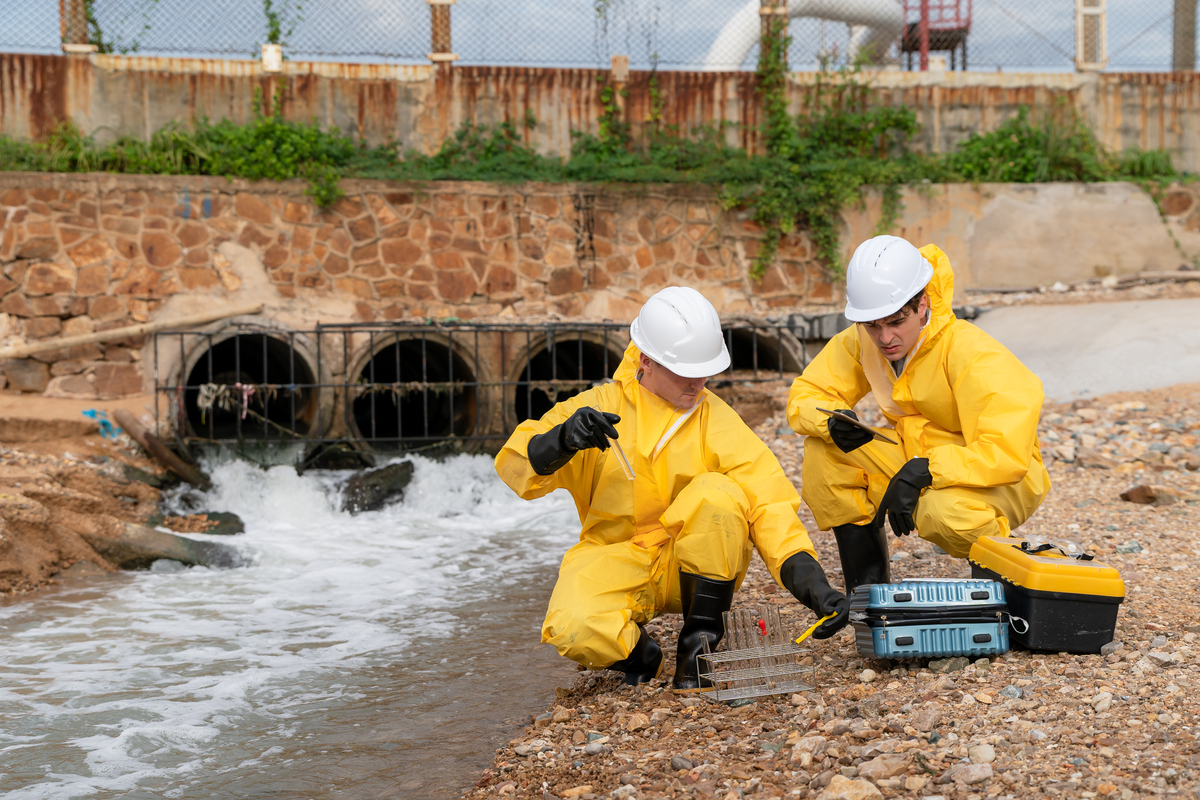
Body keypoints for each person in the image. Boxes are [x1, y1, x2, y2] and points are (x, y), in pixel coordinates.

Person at [495, 286, 848, 688]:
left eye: (706, 370)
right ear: (646, 359)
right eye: (686, 371)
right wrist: (562, 440)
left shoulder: (716, 419)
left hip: (695, 565)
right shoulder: (597, 409)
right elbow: (513, 465)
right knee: (572, 627)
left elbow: (768, 502)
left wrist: (815, 586)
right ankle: (643, 656)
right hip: (617, 557)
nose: (699, 383)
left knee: (718, 494)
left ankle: (698, 652)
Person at [787, 235, 1050, 593]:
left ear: (923, 304)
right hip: (917, 454)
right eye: (873, 325)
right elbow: (807, 393)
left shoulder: (972, 352)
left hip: (1005, 473)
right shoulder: (866, 338)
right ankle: (869, 596)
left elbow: (1004, 452)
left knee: (944, 514)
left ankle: (1010, 587)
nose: (884, 338)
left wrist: (928, 470)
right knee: (826, 452)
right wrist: (830, 421)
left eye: (896, 322)